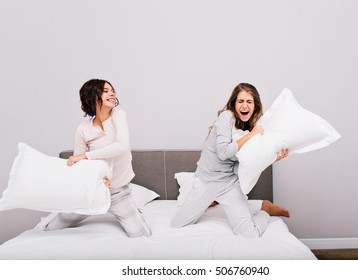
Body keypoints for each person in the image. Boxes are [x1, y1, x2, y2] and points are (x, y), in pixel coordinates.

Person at [171, 83, 289, 237]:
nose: (244, 105)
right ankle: (211, 201)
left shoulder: (249, 128)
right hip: (207, 181)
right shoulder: (227, 117)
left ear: (255, 106)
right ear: (234, 103)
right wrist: (252, 134)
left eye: (249, 102)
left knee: (250, 234)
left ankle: (266, 209)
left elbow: (247, 164)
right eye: (240, 101)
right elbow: (223, 152)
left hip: (229, 183)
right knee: (178, 223)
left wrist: (273, 159)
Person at [44, 79, 151, 237]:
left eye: (112, 90)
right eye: (106, 91)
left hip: (118, 193)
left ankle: (133, 209)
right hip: (92, 191)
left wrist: (86, 155)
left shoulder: (118, 115)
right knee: (50, 228)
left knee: (142, 234)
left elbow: (122, 146)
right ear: (93, 96)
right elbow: (79, 166)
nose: (112, 93)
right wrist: (97, 179)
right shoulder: (83, 129)